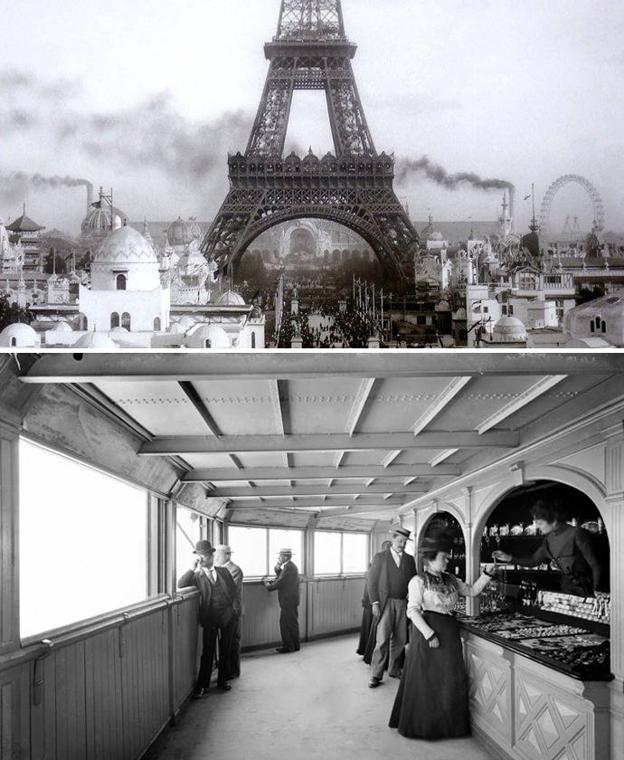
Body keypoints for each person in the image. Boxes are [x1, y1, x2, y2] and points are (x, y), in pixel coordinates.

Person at [389, 532, 498, 740]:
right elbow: (412, 611)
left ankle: (448, 727)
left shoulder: (451, 579)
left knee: (449, 679)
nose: (448, 560)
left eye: (448, 557)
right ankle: (426, 726)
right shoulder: (418, 581)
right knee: (428, 680)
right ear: (430, 559)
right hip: (428, 633)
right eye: (443, 557)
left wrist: (487, 574)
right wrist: (430, 635)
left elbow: (472, 591)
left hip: (449, 631)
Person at [492, 500, 601, 597]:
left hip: (588, 590)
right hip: (567, 590)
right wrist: (509, 558)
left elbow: (595, 564)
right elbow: (534, 561)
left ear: (553, 521)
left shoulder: (576, 533)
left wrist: (597, 591)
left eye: (539, 523)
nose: (537, 526)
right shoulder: (548, 540)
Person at [178, 540, 240, 697]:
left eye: (205, 555)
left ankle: (222, 681)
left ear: (212, 555)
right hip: (210, 618)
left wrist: (232, 611)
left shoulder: (223, 571)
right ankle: (203, 685)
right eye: (200, 556)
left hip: (227, 616)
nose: (203, 559)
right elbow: (181, 584)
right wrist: (192, 567)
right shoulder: (197, 576)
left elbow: (233, 590)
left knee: (226, 648)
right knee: (208, 652)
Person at [367, 528, 417, 688]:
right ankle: (376, 674)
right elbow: (371, 582)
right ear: (393, 539)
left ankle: (394, 670)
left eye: (404, 542)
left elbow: (414, 581)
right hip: (385, 603)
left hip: (403, 602)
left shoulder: (410, 560)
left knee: (400, 639)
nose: (402, 545)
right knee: (381, 639)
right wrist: (375, 602)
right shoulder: (380, 557)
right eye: (399, 541)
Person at [357, 539, 392, 663]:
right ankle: (368, 652)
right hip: (372, 600)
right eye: (387, 547)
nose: (389, 548)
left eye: (390, 546)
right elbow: (371, 584)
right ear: (383, 548)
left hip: (376, 600)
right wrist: (373, 602)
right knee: (370, 627)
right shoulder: (377, 560)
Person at [214, 544, 244, 679]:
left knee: (233, 641)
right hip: (224, 611)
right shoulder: (222, 569)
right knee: (227, 642)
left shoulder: (235, 570)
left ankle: (233, 671)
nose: (216, 558)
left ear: (227, 555)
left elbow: (230, 592)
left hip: (233, 610)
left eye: (218, 556)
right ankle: (227, 669)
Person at [263, 548, 300, 653]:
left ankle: (288, 646)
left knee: (285, 624)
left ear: (285, 557)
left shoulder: (289, 568)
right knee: (292, 623)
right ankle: (295, 645)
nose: (278, 558)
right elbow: (281, 577)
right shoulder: (289, 566)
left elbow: (280, 582)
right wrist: (278, 566)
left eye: (280, 556)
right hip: (291, 600)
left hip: (288, 601)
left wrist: (268, 585)